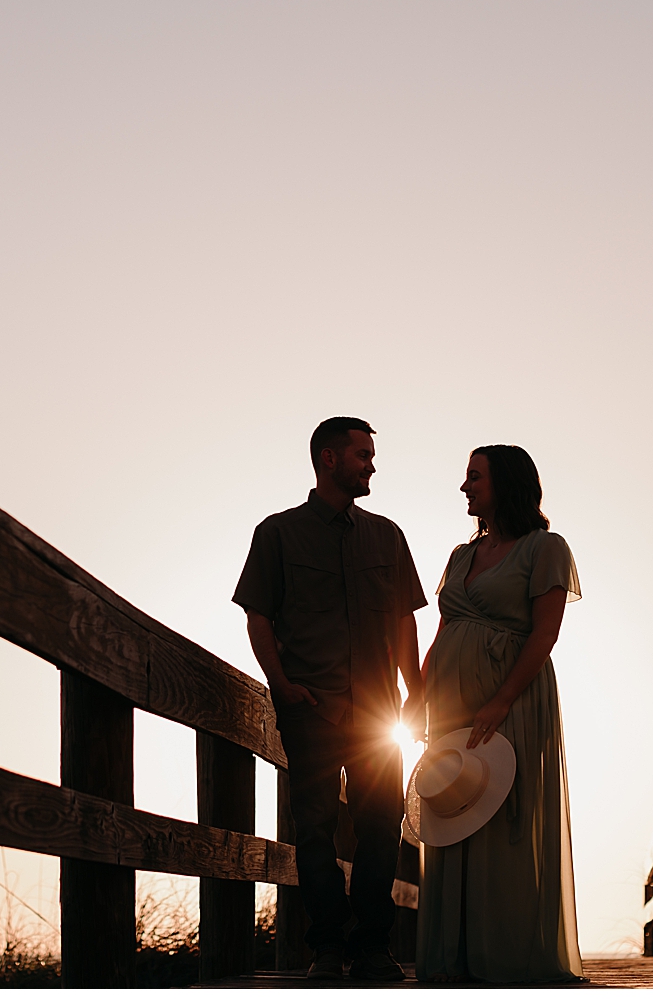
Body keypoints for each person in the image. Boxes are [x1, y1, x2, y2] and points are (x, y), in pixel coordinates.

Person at [234, 417, 427, 982]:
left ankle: (371, 945)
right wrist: (280, 682)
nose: (371, 464)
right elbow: (258, 616)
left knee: (381, 824)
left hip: (377, 713)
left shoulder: (387, 536)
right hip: (311, 708)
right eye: (363, 454)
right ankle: (326, 946)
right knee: (314, 828)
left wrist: (414, 691)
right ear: (328, 459)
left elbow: (402, 623)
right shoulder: (277, 533)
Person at [415, 444, 585, 983]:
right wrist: (418, 692)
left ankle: (507, 957)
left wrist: (503, 697)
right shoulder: (460, 556)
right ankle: (457, 955)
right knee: (454, 811)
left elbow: (545, 632)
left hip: (509, 699)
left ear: (505, 483)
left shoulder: (544, 548)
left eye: (474, 478)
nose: (464, 487)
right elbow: (442, 630)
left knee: (505, 819)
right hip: (449, 706)